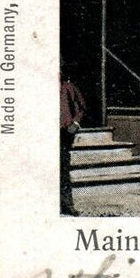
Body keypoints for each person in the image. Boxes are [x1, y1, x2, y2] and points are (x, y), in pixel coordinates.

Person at [59, 67, 86, 216]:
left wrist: (74, 125)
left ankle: (67, 204)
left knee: (63, 170)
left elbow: (81, 108)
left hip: (63, 133)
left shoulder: (68, 87)